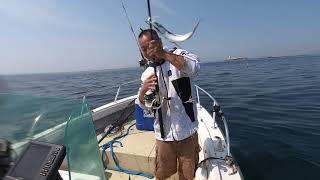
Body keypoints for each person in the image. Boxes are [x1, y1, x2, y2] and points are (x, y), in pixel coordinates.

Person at [136, 29, 200, 180]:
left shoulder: (178, 54)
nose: (147, 51)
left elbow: (195, 68)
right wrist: (143, 91)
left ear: (159, 41)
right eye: (143, 49)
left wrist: (164, 54)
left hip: (187, 132)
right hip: (163, 136)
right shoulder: (147, 74)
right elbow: (145, 105)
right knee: (161, 174)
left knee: (188, 175)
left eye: (150, 46)